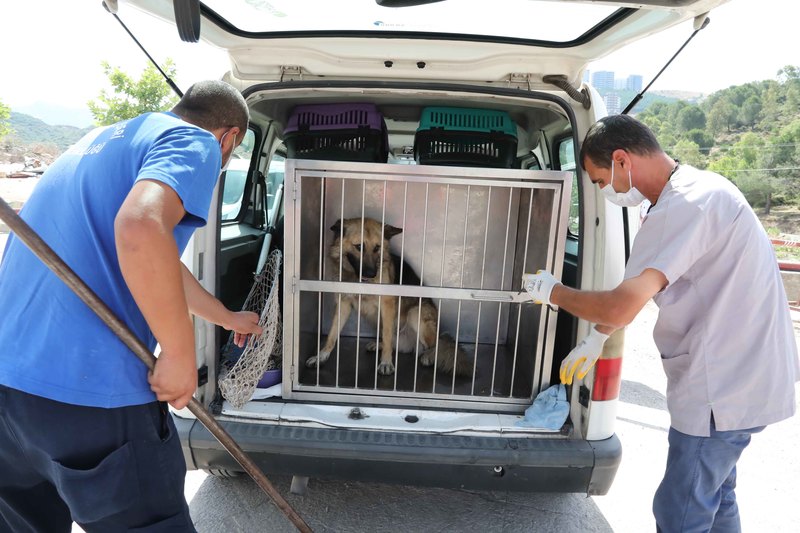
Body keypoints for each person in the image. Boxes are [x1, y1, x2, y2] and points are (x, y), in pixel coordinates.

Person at [0, 80, 262, 531]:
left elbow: (157, 259)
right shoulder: (195, 141)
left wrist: (226, 317)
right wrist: (178, 354)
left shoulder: (94, 142)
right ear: (229, 138)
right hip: (90, 399)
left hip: (10, 392)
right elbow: (141, 228)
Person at [523, 114, 799, 532]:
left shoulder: (684, 205)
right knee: (717, 496)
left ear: (621, 160)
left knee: (681, 512)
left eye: (600, 181)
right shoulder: (700, 190)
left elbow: (621, 306)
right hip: (744, 377)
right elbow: (640, 290)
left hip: (721, 388)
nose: (606, 191)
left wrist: (554, 292)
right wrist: (597, 338)